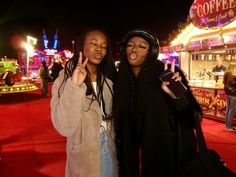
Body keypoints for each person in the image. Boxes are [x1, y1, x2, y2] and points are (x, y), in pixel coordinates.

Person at [113, 28, 202, 177]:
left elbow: (193, 117)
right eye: (130, 44)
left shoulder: (167, 73)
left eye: (142, 46)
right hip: (129, 157)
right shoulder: (120, 77)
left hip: (165, 155)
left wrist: (177, 96)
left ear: (151, 51)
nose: (134, 49)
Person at [50, 27, 118, 177]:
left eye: (104, 46)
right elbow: (64, 127)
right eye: (94, 43)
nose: (99, 49)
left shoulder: (109, 82)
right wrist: (74, 86)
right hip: (84, 155)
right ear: (81, 46)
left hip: (110, 149)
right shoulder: (64, 80)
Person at [223, 63, 236, 131]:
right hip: (232, 94)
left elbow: (225, 83)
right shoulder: (231, 74)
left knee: (228, 109)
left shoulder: (226, 73)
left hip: (227, 93)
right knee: (231, 110)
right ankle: (229, 126)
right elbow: (232, 83)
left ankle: (227, 125)